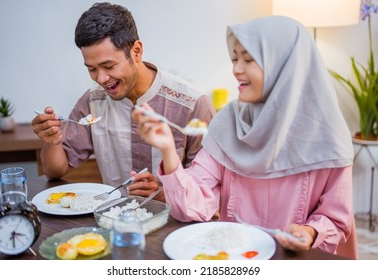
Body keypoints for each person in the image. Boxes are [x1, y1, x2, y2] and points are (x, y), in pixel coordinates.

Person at [133, 16, 358, 258]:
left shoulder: (329, 135)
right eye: (235, 59)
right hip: (236, 259)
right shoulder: (227, 123)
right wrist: (168, 150)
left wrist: (311, 232)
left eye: (249, 60)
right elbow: (192, 208)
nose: (236, 69)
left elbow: (336, 219)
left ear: (283, 65)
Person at [31, 2, 215, 202]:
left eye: (108, 66)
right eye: (91, 69)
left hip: (177, 226)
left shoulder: (192, 105)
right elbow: (55, 171)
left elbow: (208, 193)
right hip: (115, 223)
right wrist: (51, 141)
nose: (101, 79)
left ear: (136, 51)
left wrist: (163, 193)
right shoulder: (93, 101)